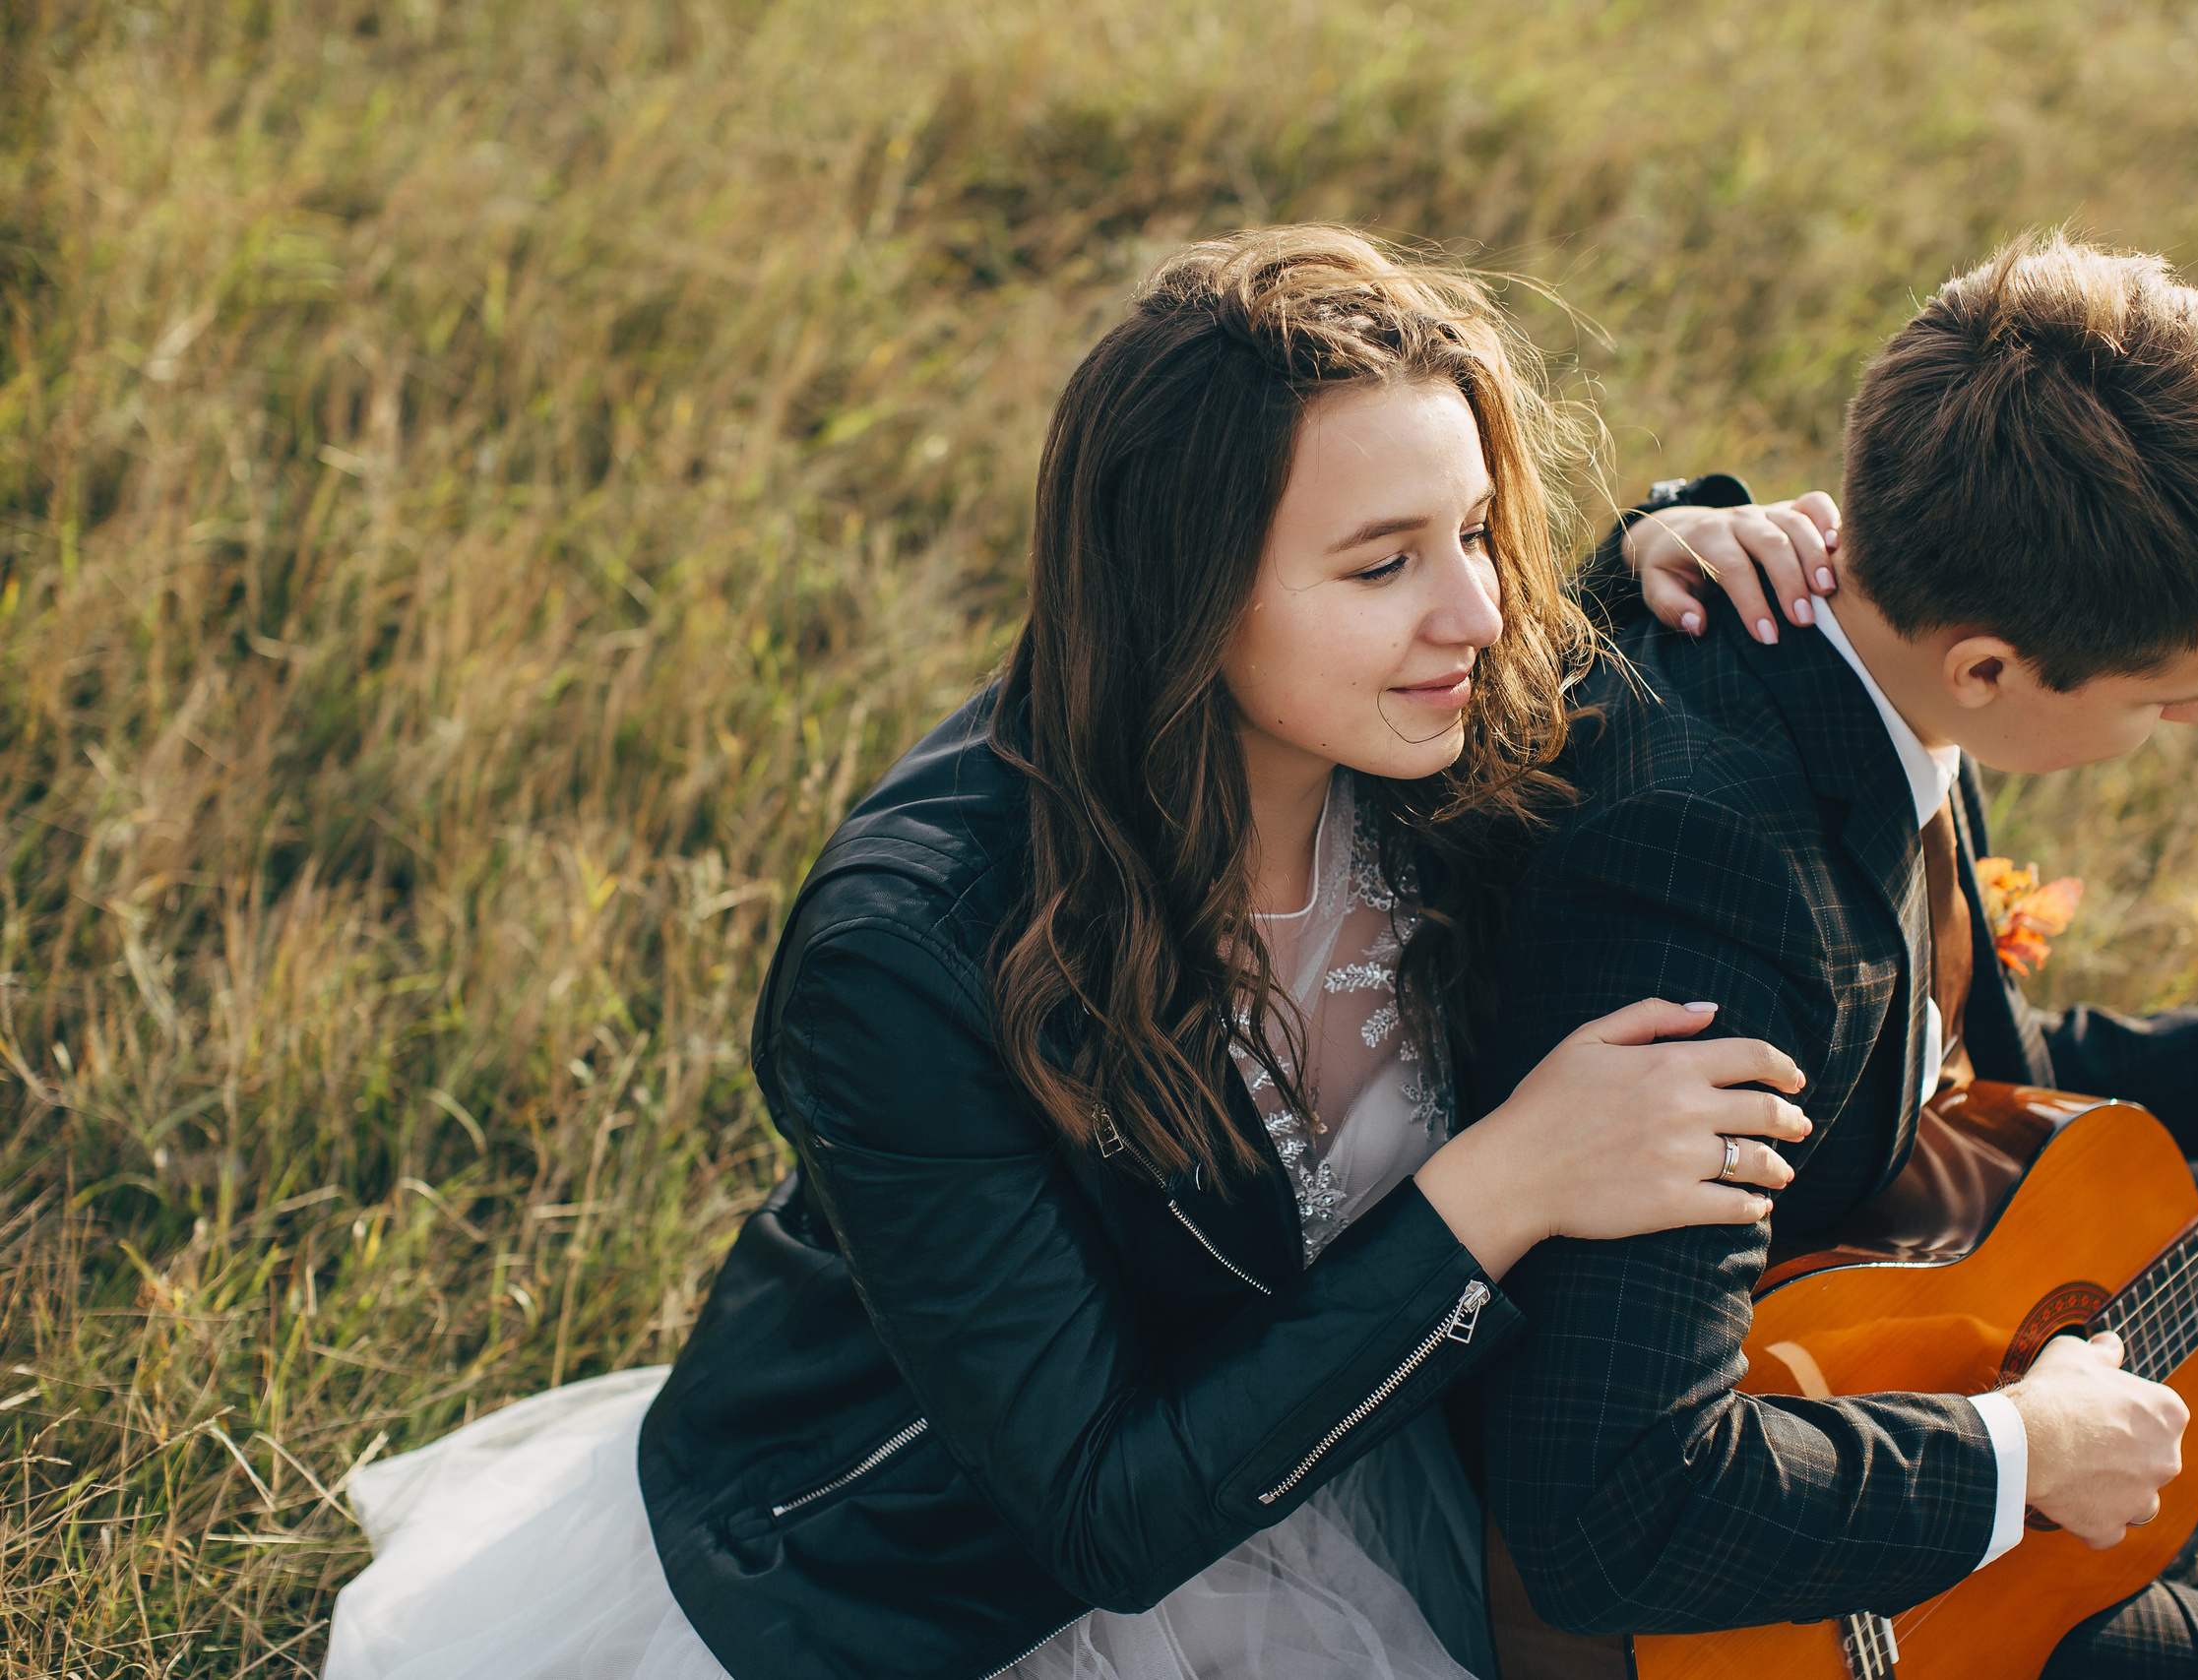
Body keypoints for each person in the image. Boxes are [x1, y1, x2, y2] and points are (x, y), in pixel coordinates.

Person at [319, 225, 1815, 1680]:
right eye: (1383, 566)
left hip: (1343, 1438)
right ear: (1183, 588)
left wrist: (1667, 538)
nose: (1480, 612)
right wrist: (1508, 1182)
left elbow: (1540, 623)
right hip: (954, 1579)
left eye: (1478, 530)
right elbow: (1104, 1514)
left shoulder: (1418, 735)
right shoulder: (901, 959)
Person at [1470, 233, 2198, 1678]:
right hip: (1820, 1603)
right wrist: (2023, 1456)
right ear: (1988, 668)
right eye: (2166, 696)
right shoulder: (1705, 877)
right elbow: (1611, 1515)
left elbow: (1942, 1078)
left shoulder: (1869, 679)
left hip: (1900, 1321)